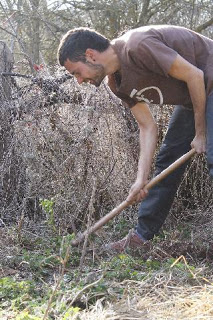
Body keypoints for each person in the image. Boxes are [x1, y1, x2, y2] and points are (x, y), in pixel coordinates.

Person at [57, 25, 213, 252]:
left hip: (207, 83)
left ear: (90, 55)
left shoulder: (137, 47)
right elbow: (147, 127)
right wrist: (141, 180)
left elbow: (195, 74)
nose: (79, 81)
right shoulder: (116, 83)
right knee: (167, 162)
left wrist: (201, 134)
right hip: (196, 95)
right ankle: (141, 237)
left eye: (76, 72)